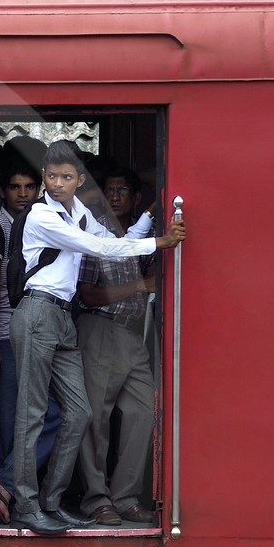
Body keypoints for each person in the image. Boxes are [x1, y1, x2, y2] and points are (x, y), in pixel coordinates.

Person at [7, 142, 185, 536]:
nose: (57, 183)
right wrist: (159, 243)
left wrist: (149, 221)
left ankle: (51, 503)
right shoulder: (42, 214)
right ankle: (26, 506)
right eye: (51, 176)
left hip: (62, 317)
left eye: (66, 177)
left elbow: (113, 241)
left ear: (79, 180)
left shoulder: (78, 212)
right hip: (37, 311)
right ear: (44, 178)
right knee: (32, 414)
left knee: (80, 414)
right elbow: (97, 246)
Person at [75, 166, 159, 526]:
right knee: (96, 420)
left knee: (143, 413)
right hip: (101, 330)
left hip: (133, 335)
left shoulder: (142, 236)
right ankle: (96, 499)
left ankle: (125, 497)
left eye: (123, 189)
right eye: (109, 189)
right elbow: (88, 295)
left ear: (136, 197)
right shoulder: (94, 234)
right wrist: (138, 286)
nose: (114, 196)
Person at [0, 161, 41, 514]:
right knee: (7, 421)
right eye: (14, 187)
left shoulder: (40, 221)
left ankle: (5, 483)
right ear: (2, 191)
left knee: (50, 415)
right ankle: (7, 495)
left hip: (35, 331)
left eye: (29, 187)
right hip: (6, 331)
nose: (22, 194)